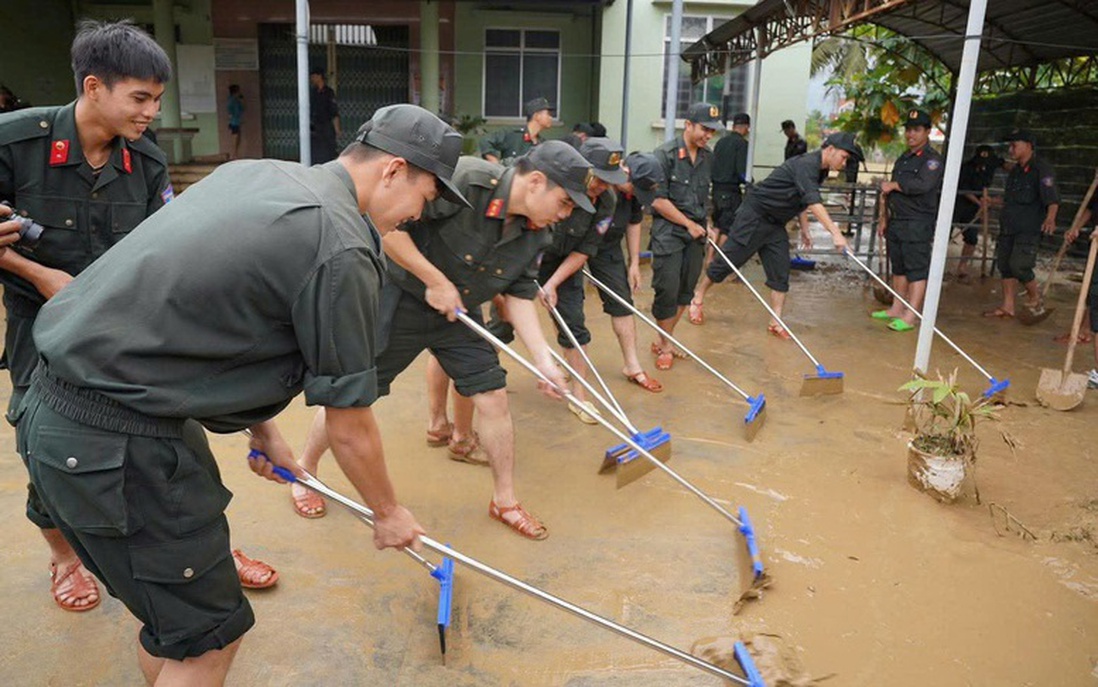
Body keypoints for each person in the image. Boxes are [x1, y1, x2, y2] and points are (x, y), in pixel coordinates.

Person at [20, 102, 462, 684]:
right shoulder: (343, 246)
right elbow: (350, 422)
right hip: (116, 443)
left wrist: (266, 432)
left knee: (176, 627)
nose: (416, 216)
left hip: (54, 410)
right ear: (393, 170)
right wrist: (389, 513)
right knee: (207, 640)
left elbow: (216, 312)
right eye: (426, 197)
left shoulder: (256, 172)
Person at [0, 20, 276, 613]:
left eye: (158, 99)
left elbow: (165, 246)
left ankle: (202, 549)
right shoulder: (14, 143)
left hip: (125, 326)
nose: (152, 111)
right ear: (94, 87)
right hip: (38, 326)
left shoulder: (146, 163)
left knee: (174, 436)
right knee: (45, 444)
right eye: (141, 98)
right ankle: (66, 558)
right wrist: (37, 275)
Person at [296, 140, 591, 541]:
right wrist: (434, 280)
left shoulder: (537, 235)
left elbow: (520, 294)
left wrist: (543, 360)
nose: (566, 213)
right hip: (401, 301)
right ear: (536, 182)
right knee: (353, 396)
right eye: (565, 201)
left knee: (493, 396)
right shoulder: (466, 182)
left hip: (460, 314)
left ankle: (504, 500)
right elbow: (388, 227)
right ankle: (305, 469)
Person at [690, 132, 857, 337]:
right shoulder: (807, 164)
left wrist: (804, 229)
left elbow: (803, 199)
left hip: (776, 224)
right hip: (755, 216)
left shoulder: (820, 170)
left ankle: (776, 321)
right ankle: (698, 297)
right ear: (830, 150)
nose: (844, 162)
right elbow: (814, 201)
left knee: (780, 270)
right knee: (727, 261)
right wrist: (835, 233)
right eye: (844, 156)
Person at [537, 137, 627, 424]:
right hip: (529, 256)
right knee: (503, 324)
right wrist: (530, 279)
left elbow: (585, 249)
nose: (601, 187)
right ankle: (481, 386)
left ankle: (579, 394)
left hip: (566, 263)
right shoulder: (556, 187)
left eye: (608, 181)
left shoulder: (607, 201)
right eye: (598, 179)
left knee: (574, 324)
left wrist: (552, 284)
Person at [585, 151, 664, 393]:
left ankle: (632, 365)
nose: (634, 196)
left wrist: (633, 262)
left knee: (622, 303)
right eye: (634, 189)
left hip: (607, 248)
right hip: (572, 245)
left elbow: (633, 222)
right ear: (625, 172)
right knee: (568, 303)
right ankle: (571, 360)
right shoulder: (597, 185)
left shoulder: (632, 194)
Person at [649, 102, 721, 370]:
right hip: (669, 232)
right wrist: (688, 224)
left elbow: (702, 197)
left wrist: (708, 224)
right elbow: (658, 201)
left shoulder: (708, 157)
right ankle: (666, 345)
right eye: (705, 128)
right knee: (666, 288)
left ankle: (664, 339)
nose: (708, 135)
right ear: (688, 125)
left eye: (712, 131)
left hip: (696, 233)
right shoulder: (664, 155)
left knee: (685, 290)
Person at [871, 109, 944, 332]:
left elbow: (922, 185)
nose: (911, 134)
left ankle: (911, 316)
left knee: (916, 269)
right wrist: (884, 218)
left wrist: (894, 185)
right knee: (899, 267)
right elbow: (889, 193)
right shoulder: (904, 158)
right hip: (897, 220)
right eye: (908, 130)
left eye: (917, 130)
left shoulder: (932, 160)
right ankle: (896, 307)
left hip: (917, 222)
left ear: (927, 132)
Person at [983, 128, 1059, 318]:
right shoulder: (1016, 171)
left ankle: (1035, 296)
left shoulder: (1042, 169)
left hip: (1028, 228)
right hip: (1008, 225)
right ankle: (1008, 306)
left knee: (1020, 265)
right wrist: (993, 201)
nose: (1011, 149)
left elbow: (1052, 198)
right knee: (1005, 266)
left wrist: (1050, 218)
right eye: (1010, 145)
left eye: (1014, 145)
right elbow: (1011, 198)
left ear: (1028, 145)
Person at [696, 111, 750, 324]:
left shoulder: (720, 143)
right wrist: (748, 182)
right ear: (745, 127)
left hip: (716, 189)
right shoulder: (741, 145)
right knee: (729, 228)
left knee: (717, 225)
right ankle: (720, 263)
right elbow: (741, 170)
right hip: (731, 190)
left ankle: (709, 258)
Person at [954, 145, 1004, 281]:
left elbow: (1007, 164)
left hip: (974, 208)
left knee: (971, 238)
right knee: (945, 235)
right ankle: (933, 264)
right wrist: (979, 202)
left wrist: (986, 201)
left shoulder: (992, 165)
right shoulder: (967, 168)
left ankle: (962, 268)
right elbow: (964, 189)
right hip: (958, 205)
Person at [479, 96, 554, 166]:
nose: (551, 118)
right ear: (537, 116)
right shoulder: (513, 135)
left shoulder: (542, 144)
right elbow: (486, 141)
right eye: (548, 114)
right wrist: (495, 163)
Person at [309, 68, 341, 164]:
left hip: (326, 127)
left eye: (314, 76)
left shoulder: (328, 92)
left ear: (319, 77)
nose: (312, 79)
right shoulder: (313, 92)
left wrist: (337, 129)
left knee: (328, 152)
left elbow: (334, 112)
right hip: (315, 127)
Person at [226, 84, 244, 159]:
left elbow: (242, 109)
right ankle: (234, 154)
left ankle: (236, 153)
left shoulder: (236, 100)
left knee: (238, 137)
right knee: (235, 137)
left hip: (237, 120)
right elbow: (230, 110)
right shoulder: (232, 100)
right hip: (234, 121)